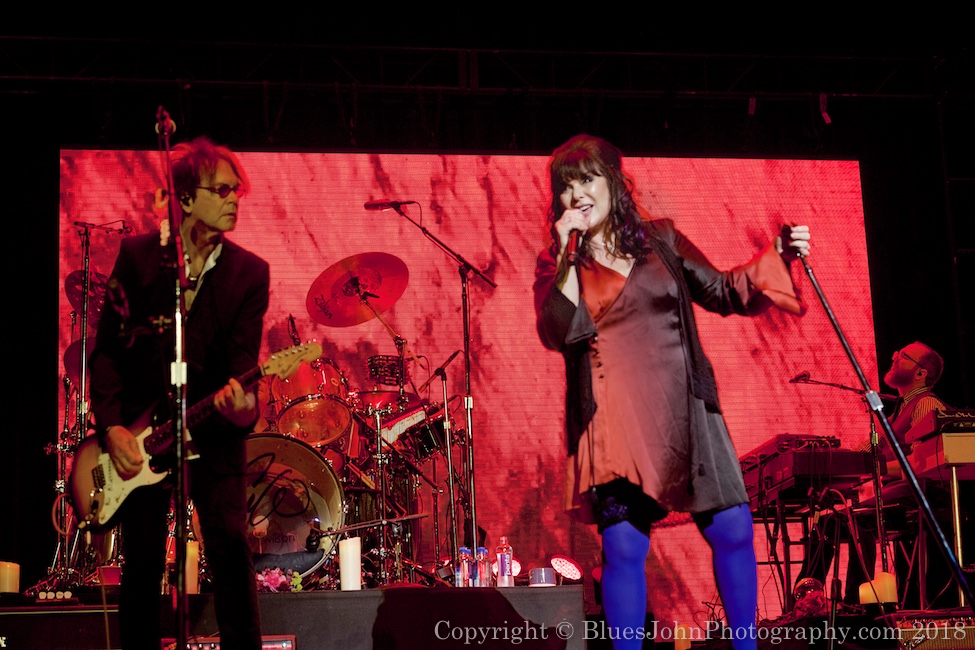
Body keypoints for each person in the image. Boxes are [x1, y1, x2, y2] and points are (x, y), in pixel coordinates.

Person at [532, 134, 810, 650]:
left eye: (588, 179)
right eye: (566, 186)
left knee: (732, 530)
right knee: (623, 548)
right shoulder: (557, 264)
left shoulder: (661, 240)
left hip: (686, 408)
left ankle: (746, 645)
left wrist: (777, 255)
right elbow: (556, 332)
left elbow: (725, 291)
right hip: (612, 422)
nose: (578, 194)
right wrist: (568, 258)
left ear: (614, 183)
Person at [89, 136, 269, 649]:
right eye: (222, 190)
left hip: (211, 433)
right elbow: (108, 352)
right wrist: (112, 428)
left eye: (237, 191)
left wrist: (243, 409)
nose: (234, 200)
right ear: (186, 198)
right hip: (142, 436)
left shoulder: (250, 273)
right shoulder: (138, 258)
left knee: (230, 547)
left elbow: (242, 367)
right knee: (142, 563)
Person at [796, 341, 951, 608]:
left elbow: (923, 463)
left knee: (856, 520)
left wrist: (875, 467)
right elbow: (864, 453)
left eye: (904, 356)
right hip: (899, 495)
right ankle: (805, 603)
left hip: (922, 497)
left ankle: (855, 605)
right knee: (828, 523)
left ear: (921, 373)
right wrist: (826, 460)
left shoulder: (926, 404)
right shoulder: (897, 413)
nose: (894, 356)